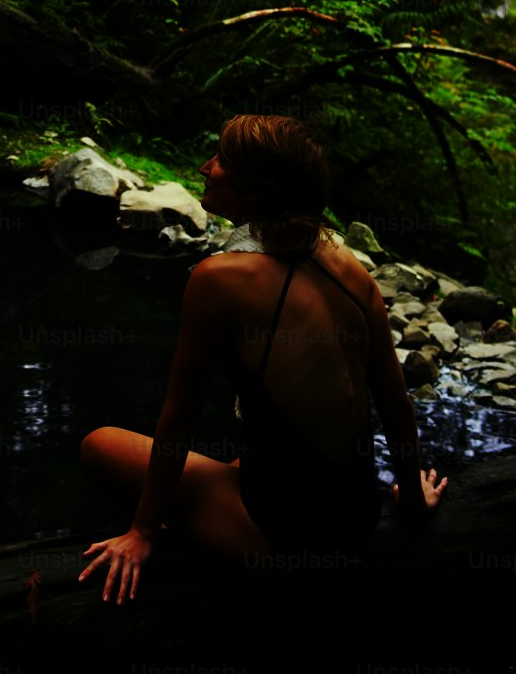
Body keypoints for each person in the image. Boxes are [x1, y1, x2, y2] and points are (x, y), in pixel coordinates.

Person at [78, 114, 448, 603]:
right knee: (242, 459)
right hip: (357, 522)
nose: (207, 166)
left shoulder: (220, 279)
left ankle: (157, 545)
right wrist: (413, 497)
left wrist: (142, 530)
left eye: (224, 160)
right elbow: (396, 401)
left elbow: (179, 417)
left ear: (259, 188)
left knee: (99, 443)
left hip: (287, 552)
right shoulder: (345, 262)